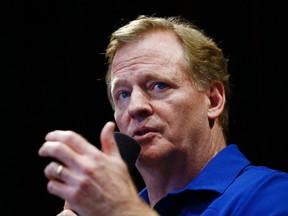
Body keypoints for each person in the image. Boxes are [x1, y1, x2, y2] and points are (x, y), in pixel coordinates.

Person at [38, 15, 288, 216]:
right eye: (123, 94)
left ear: (213, 99)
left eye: (158, 86)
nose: (135, 106)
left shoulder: (273, 195)